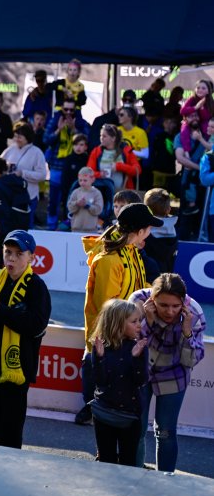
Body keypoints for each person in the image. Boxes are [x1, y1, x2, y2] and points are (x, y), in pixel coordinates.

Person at [77, 202, 159, 425]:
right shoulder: (109, 260)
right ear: (139, 231)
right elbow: (108, 308)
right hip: (110, 344)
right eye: (149, 228)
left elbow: (137, 288)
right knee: (106, 417)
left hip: (125, 339)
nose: (151, 232)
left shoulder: (131, 252)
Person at [0, 231, 51, 449]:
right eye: (8, 253)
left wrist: (0, 308)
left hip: (16, 372)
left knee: (10, 435)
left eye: (18, 254)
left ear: (31, 258)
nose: (11, 258)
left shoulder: (36, 287)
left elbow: (36, 325)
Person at [130, 274, 206, 474]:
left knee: (165, 432)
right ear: (152, 300)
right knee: (135, 429)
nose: (170, 311)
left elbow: (190, 361)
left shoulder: (195, 312)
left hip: (174, 375)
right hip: (140, 372)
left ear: (183, 301)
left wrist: (187, 333)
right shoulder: (137, 301)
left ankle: (165, 481)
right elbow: (129, 346)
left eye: (175, 306)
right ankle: (131, 475)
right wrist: (147, 321)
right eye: (163, 305)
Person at [88, 298, 148, 467]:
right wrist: (99, 358)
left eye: (139, 320)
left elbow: (140, 380)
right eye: (134, 321)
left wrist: (136, 358)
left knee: (128, 461)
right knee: (106, 460)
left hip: (129, 416)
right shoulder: (101, 346)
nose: (139, 325)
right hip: (104, 414)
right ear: (118, 324)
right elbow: (100, 381)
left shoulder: (139, 347)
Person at [67, 167, 104, 232]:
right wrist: (77, 203)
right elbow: (69, 207)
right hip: (76, 229)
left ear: (92, 179)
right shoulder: (76, 192)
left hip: (91, 230)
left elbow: (98, 210)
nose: (82, 183)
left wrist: (87, 205)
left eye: (85, 180)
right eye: (80, 180)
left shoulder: (97, 193)